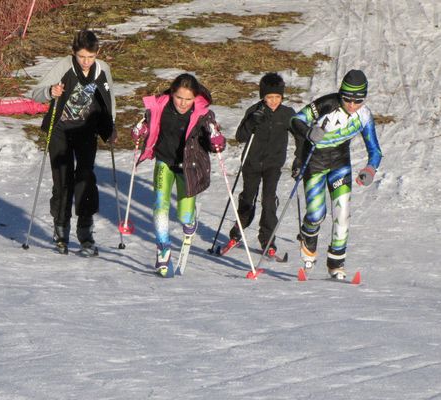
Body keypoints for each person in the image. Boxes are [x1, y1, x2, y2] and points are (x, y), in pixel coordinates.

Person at [29, 29, 116, 257]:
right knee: (63, 179)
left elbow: (109, 101)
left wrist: (111, 127)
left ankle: (85, 234)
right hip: (60, 130)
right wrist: (50, 91)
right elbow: (35, 93)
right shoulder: (64, 65)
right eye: (82, 57)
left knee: (86, 178)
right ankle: (61, 230)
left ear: (97, 53)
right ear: (73, 53)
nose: (86, 62)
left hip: (87, 131)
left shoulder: (102, 69)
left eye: (91, 56)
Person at [130, 73, 226, 278]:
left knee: (183, 215)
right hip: (164, 162)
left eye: (188, 99)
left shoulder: (203, 115)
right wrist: (140, 131)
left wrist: (217, 139)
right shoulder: (159, 106)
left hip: (188, 168)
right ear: (172, 93)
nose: (183, 103)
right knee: (160, 204)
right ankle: (163, 249)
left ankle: (190, 221)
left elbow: (214, 141)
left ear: (195, 98)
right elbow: (146, 126)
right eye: (179, 97)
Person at [290, 69, 382, 279]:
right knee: (316, 214)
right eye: (347, 99)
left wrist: (370, 169)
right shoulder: (327, 104)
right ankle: (308, 239)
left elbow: (375, 150)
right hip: (314, 162)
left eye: (357, 100)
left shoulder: (364, 116)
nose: (351, 105)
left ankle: (336, 263)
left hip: (340, 163)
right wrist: (308, 132)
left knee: (342, 213)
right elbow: (295, 120)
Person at [222, 72, 296, 257]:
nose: (273, 101)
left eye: (277, 97)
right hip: (252, 163)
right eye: (269, 97)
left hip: (273, 164)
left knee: (269, 201)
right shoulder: (255, 111)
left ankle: (267, 240)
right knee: (248, 198)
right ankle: (237, 233)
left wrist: (300, 157)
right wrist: (251, 122)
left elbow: (300, 134)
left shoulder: (287, 114)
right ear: (263, 96)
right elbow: (240, 136)